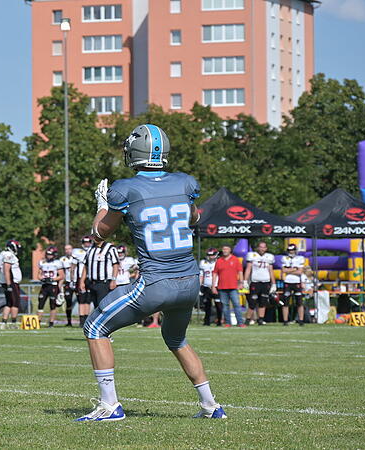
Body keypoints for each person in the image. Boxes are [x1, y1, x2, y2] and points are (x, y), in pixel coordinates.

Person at [78, 124, 225, 422]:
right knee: (176, 340)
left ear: (133, 152)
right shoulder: (184, 183)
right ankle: (211, 406)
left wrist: (101, 205)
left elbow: (99, 234)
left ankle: (109, 405)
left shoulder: (126, 188)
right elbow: (195, 218)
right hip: (189, 282)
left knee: (95, 328)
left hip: (155, 281)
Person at [78, 241, 119, 313]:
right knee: (96, 306)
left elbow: (115, 265)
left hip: (104, 282)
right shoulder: (90, 248)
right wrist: (82, 281)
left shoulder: (110, 248)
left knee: (103, 306)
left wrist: (114, 280)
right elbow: (85, 266)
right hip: (92, 283)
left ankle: (105, 323)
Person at [212, 245, 245, 328]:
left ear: (230, 250)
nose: (225, 250)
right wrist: (213, 286)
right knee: (225, 306)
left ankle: (240, 322)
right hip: (222, 287)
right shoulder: (219, 261)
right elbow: (215, 273)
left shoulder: (235, 260)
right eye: (223, 249)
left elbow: (240, 272)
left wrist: (241, 282)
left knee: (236, 305)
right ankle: (228, 323)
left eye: (226, 249)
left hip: (233, 287)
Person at [60, 239, 91, 327]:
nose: (87, 244)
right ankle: (82, 321)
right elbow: (73, 267)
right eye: (85, 242)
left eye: (88, 242)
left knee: (88, 300)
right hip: (80, 278)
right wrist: (73, 280)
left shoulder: (94, 250)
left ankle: (87, 320)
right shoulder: (78, 252)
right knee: (81, 300)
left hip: (91, 278)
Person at [244, 241, 275, 325]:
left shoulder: (270, 256)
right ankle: (247, 319)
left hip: (265, 282)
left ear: (266, 248)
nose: (262, 249)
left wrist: (274, 284)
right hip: (255, 282)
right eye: (260, 247)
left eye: (263, 247)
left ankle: (260, 319)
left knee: (263, 301)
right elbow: (248, 269)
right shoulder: (252, 255)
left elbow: (271, 271)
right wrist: (245, 280)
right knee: (252, 302)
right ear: (258, 248)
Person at [36, 245, 64, 327]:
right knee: (40, 304)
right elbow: (38, 275)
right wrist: (42, 278)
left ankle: (51, 323)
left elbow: (62, 275)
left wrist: (52, 279)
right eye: (48, 254)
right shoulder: (42, 262)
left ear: (54, 255)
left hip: (53, 286)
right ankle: (38, 322)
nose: (49, 256)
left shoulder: (57, 263)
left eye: (50, 254)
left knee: (53, 305)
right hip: (44, 286)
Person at [0, 239, 23, 329]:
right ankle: (13, 323)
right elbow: (6, 269)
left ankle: (4, 323)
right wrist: (9, 284)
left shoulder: (3, 254)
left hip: (8, 282)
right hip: (11, 282)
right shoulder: (8, 255)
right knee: (15, 302)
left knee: (9, 303)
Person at [281, 243, 306, 326]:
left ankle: (301, 320)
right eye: (290, 250)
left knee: (299, 302)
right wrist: (295, 269)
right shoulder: (284, 258)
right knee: (286, 303)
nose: (291, 252)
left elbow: (300, 271)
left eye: (293, 250)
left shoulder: (300, 258)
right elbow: (284, 270)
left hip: (297, 282)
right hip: (287, 282)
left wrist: (289, 270)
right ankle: (285, 321)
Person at [199, 248, 222, 326]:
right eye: (209, 255)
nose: (210, 257)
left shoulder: (219, 262)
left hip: (216, 286)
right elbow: (201, 275)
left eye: (212, 255)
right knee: (207, 305)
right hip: (206, 286)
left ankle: (219, 321)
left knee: (218, 305)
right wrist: (199, 286)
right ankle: (206, 322)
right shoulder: (203, 262)